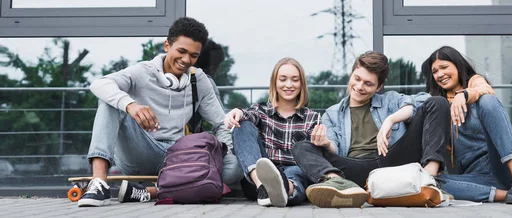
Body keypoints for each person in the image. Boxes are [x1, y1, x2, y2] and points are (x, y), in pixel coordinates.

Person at [78, 17, 242, 207]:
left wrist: (221, 152)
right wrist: (130, 105)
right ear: (167, 45)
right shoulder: (141, 72)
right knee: (109, 101)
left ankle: (148, 193)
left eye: (193, 55)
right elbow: (99, 84)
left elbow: (221, 123)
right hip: (140, 150)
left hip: (176, 157)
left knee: (233, 168)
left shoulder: (199, 80)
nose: (186, 60)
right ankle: (98, 183)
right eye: (181, 51)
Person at [292, 51, 451, 208]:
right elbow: (335, 147)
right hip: (356, 168)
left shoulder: (390, 100)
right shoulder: (332, 113)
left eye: (368, 83)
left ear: (379, 86)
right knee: (301, 147)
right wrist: (326, 143)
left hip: (395, 161)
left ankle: (429, 178)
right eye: (357, 79)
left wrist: (391, 119)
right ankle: (337, 182)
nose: (360, 87)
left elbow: (424, 101)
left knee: (438, 103)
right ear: (351, 74)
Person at [420, 45, 512, 204]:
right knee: (431, 183)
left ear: (458, 66)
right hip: (476, 176)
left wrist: (464, 95)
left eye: (444, 67)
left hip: (502, 164)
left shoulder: (475, 82)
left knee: (487, 100)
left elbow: (485, 89)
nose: (440, 74)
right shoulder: (439, 106)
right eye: (435, 71)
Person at [224, 57, 318, 207]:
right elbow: (248, 115)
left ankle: (283, 188)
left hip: (293, 171)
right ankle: (263, 187)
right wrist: (238, 112)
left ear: (301, 84)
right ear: (275, 82)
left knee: (297, 172)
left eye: (295, 80)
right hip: (259, 173)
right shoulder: (260, 110)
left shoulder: (312, 117)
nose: (289, 85)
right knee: (243, 125)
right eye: (283, 79)